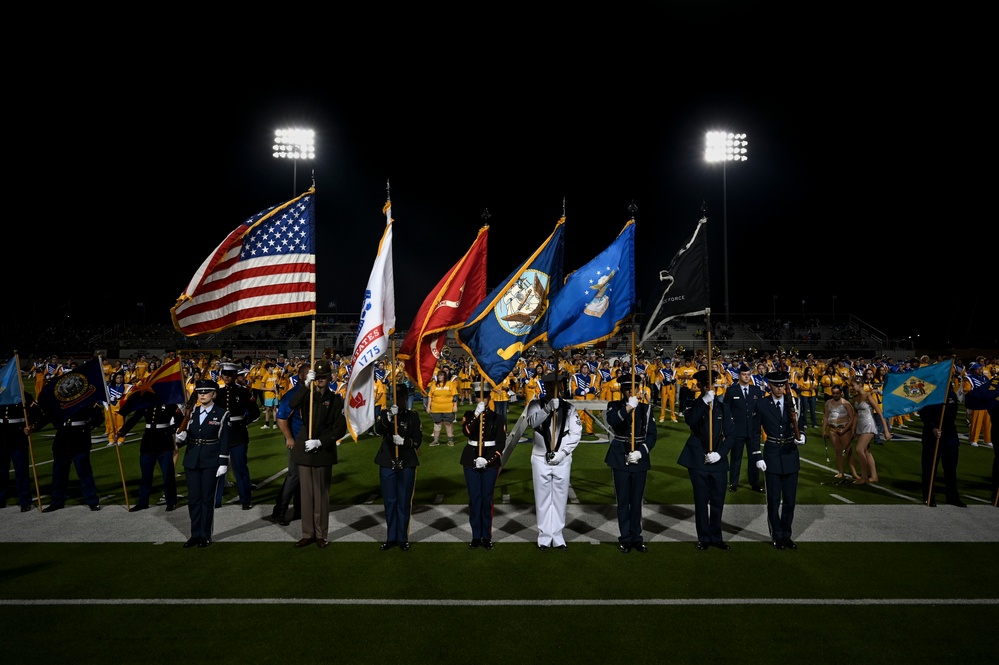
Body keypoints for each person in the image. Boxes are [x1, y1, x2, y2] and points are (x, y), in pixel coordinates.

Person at [677, 369, 742, 550]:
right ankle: (703, 538)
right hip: (697, 459)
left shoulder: (723, 407)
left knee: (718, 500)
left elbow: (731, 434)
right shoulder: (691, 403)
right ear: (699, 386)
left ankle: (716, 536)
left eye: (711, 385)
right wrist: (704, 402)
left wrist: (720, 453)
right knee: (701, 500)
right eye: (705, 385)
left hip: (718, 460)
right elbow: (691, 420)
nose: (709, 388)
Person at [289, 359, 347, 549]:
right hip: (305, 447)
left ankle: (321, 534)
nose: (320, 380)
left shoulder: (336, 400)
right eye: (318, 377)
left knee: (321, 495)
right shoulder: (307, 395)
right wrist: (306, 385)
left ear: (330, 377)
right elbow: (292, 403)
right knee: (306, 495)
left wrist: (321, 441)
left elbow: (340, 428)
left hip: (323, 449)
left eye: (323, 377)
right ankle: (307, 533)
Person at [525, 373, 582, 549]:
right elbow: (532, 423)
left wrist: (563, 453)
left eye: (558, 385)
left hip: (562, 459)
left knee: (559, 498)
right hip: (541, 457)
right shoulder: (535, 404)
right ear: (546, 386)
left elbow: (575, 433)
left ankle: (557, 535)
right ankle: (544, 536)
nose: (555, 389)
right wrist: (547, 409)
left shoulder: (570, 407)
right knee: (542, 499)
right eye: (551, 386)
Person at [174, 379, 230, 547]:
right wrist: (180, 439)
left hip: (211, 460)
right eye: (200, 392)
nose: (203, 395)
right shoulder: (192, 413)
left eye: (206, 392)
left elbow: (225, 440)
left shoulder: (222, 414)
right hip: (192, 460)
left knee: (206, 499)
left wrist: (223, 462)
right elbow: (186, 438)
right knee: (193, 499)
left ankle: (205, 534)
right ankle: (194, 534)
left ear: (214, 394)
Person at [605, 378, 656, 553]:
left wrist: (641, 452)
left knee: (636, 501)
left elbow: (652, 435)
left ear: (638, 388)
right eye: (626, 388)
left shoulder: (646, 408)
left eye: (632, 388)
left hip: (639, 456)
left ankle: (637, 537)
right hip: (620, 455)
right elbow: (613, 421)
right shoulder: (614, 405)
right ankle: (625, 538)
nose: (629, 391)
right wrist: (628, 407)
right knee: (623, 501)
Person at [759, 371, 806, 550]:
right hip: (772, 453)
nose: (779, 388)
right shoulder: (762, 404)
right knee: (773, 499)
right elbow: (756, 430)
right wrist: (757, 454)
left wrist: (802, 436)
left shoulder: (793, 402)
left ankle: (787, 534)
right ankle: (777, 535)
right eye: (776, 385)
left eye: (782, 385)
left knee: (789, 500)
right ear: (769, 385)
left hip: (790, 453)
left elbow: (800, 425)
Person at [375, 384, 422, 551]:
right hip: (388, 461)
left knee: (403, 502)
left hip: (406, 461)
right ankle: (391, 537)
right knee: (390, 502)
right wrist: (389, 417)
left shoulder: (412, 416)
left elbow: (418, 439)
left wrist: (405, 442)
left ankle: (403, 538)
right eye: (395, 397)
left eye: (401, 397)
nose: (398, 400)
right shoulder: (384, 414)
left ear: (405, 398)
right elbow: (379, 429)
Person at [119, 401, 185, 512]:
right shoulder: (146, 404)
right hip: (148, 444)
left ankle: (171, 502)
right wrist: (121, 432)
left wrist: (170, 429)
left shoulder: (170, 404)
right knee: (146, 476)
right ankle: (143, 502)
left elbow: (180, 420)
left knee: (168, 475)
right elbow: (135, 418)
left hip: (164, 444)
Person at [42, 402, 105, 513]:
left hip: (80, 438)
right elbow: (49, 415)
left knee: (84, 472)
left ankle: (92, 501)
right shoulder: (57, 399)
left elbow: (98, 417)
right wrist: (33, 426)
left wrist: (87, 427)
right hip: (62, 438)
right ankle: (57, 501)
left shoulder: (86, 400)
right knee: (59, 473)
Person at [461, 397, 505, 550]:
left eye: (485, 397)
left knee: (486, 500)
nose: (482, 399)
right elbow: (466, 432)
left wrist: (488, 460)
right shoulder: (468, 413)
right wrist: (476, 414)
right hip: (470, 459)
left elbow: (501, 442)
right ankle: (475, 536)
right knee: (475, 499)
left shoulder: (497, 417)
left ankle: (486, 536)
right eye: (479, 396)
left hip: (490, 461)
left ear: (489, 398)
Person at [214, 362, 260, 509]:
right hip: (221, 435)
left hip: (238, 435)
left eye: (229, 375)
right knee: (218, 468)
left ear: (234, 376)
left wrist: (244, 422)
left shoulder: (243, 392)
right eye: (224, 374)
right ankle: (216, 499)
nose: (226, 377)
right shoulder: (218, 393)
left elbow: (255, 412)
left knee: (240, 468)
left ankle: (245, 499)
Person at [271, 363, 309, 526]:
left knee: (303, 478)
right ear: (300, 376)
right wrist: (289, 438)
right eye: (308, 374)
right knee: (294, 476)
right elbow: (281, 418)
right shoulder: (292, 394)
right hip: (297, 440)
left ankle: (299, 510)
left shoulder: (312, 394)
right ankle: (279, 511)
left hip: (309, 441)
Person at [919, 388, 965, 507]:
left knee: (951, 470)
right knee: (930, 469)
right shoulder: (928, 393)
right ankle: (928, 496)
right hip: (932, 436)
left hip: (949, 436)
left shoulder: (951, 395)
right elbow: (924, 412)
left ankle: (952, 497)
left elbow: (953, 413)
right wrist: (933, 427)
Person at [724, 364, 765, 493]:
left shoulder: (756, 390)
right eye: (743, 374)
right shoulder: (731, 391)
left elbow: (760, 409)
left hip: (753, 430)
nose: (746, 377)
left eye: (748, 374)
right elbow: (726, 411)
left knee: (754, 458)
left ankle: (755, 483)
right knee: (736, 458)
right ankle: (734, 483)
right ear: (739, 376)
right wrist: (728, 429)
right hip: (737, 430)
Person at [1, 396, 43, 512]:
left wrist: (32, 427)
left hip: (18, 435)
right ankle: (1, 498)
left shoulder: (25, 397)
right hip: (2, 434)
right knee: (1, 470)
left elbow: (38, 415)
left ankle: (24, 500)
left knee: (21, 470)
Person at [850, 376, 891, 484]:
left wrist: (886, 431)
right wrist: (853, 429)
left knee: (859, 449)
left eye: (853, 385)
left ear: (859, 384)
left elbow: (880, 413)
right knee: (867, 452)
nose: (851, 387)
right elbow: (855, 415)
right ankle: (874, 476)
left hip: (869, 424)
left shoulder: (868, 396)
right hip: (860, 425)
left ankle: (864, 477)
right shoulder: (855, 398)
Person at [822, 386, 858, 480]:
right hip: (832, 429)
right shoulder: (828, 403)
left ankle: (854, 473)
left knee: (848, 451)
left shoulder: (846, 403)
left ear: (841, 393)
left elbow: (852, 418)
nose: (835, 395)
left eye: (837, 393)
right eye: (833, 393)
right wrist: (824, 430)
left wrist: (845, 429)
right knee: (838, 451)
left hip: (843, 428)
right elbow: (826, 416)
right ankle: (841, 472)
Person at [427, 369, 458, 447]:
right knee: (437, 424)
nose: (439, 377)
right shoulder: (434, 385)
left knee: (448, 424)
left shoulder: (450, 384)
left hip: (448, 408)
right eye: (439, 375)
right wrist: (428, 407)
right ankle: (436, 440)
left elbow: (455, 396)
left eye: (441, 375)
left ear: (445, 376)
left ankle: (450, 440)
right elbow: (430, 396)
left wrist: (455, 406)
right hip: (436, 408)